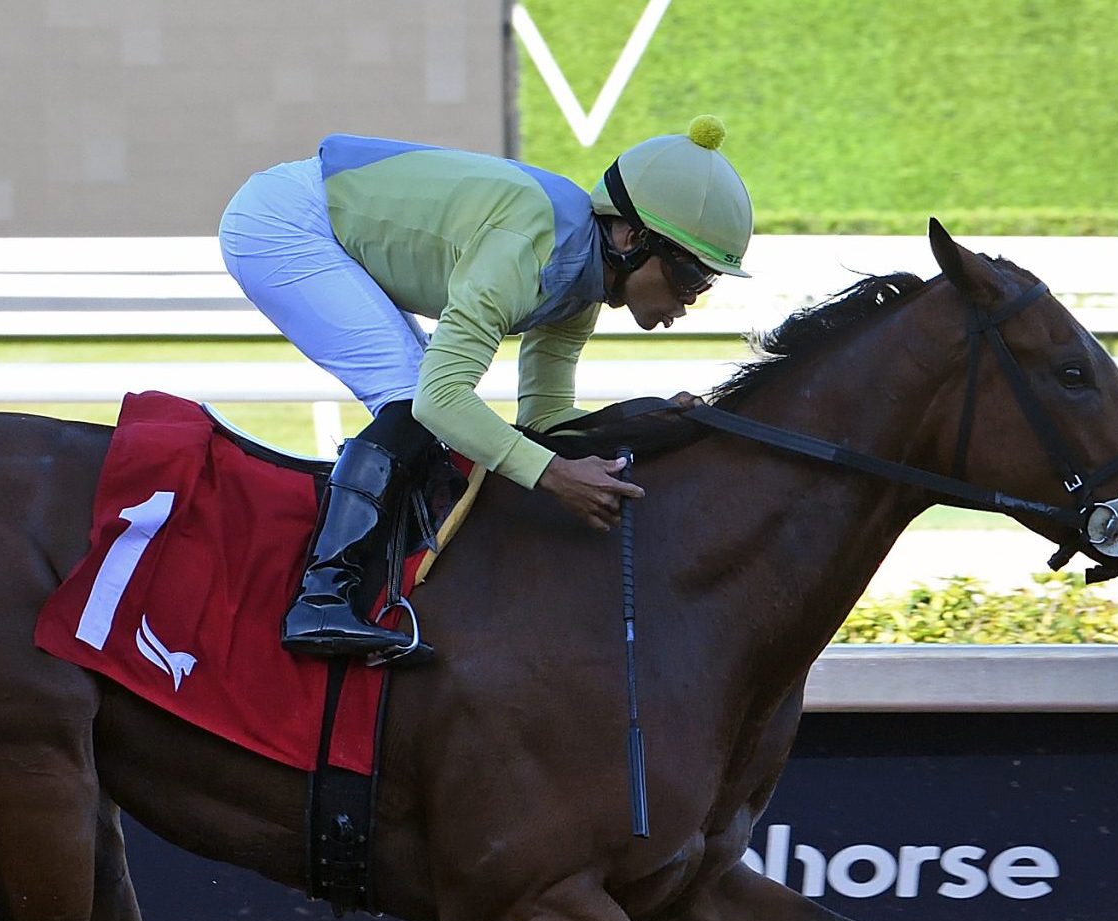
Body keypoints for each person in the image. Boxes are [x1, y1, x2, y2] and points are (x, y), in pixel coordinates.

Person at [219, 115, 753, 659]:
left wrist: (652, 422)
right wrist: (553, 475)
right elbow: (440, 400)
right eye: (690, 275)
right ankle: (319, 599)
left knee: (420, 401)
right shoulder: (529, 246)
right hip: (284, 223)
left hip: (321, 218)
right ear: (632, 237)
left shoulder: (582, 282)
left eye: (706, 282)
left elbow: (545, 421)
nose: (691, 299)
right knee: (411, 398)